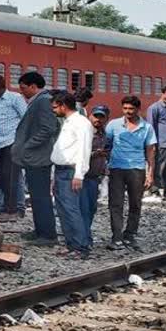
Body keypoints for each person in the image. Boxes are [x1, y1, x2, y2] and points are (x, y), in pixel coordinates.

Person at [11, 71, 59, 246]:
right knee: (37, 195)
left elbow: (48, 128)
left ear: (33, 86)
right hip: (36, 157)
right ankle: (41, 230)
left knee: (40, 196)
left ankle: (47, 235)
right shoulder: (39, 101)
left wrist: (28, 145)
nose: (21, 92)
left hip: (39, 157)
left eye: (23, 88)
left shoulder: (43, 101)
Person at [105, 95, 157, 251]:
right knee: (115, 204)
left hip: (137, 169)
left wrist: (150, 173)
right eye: (125, 108)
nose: (128, 112)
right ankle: (117, 237)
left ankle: (130, 234)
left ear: (138, 109)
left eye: (131, 109)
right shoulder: (113, 125)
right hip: (117, 169)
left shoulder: (146, 127)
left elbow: (150, 151)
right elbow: (107, 145)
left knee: (135, 203)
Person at [50, 91, 93, 259]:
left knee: (72, 210)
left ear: (63, 105)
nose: (53, 110)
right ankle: (71, 244)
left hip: (70, 171)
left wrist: (79, 175)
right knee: (63, 210)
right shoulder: (68, 121)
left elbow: (84, 149)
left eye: (55, 107)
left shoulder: (81, 123)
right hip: (61, 170)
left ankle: (81, 247)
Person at [0, 76, 28, 219]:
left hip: (12, 142)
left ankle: (14, 210)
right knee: (1, 177)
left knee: (12, 178)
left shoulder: (15, 98)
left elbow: (26, 118)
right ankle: (3, 207)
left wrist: (21, 141)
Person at [82, 105, 110, 249]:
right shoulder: (85, 132)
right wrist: (95, 154)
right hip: (83, 176)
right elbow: (79, 154)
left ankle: (85, 236)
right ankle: (85, 239)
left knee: (91, 208)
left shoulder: (103, 134)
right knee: (84, 209)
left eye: (101, 117)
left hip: (94, 177)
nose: (98, 119)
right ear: (90, 116)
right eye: (95, 116)